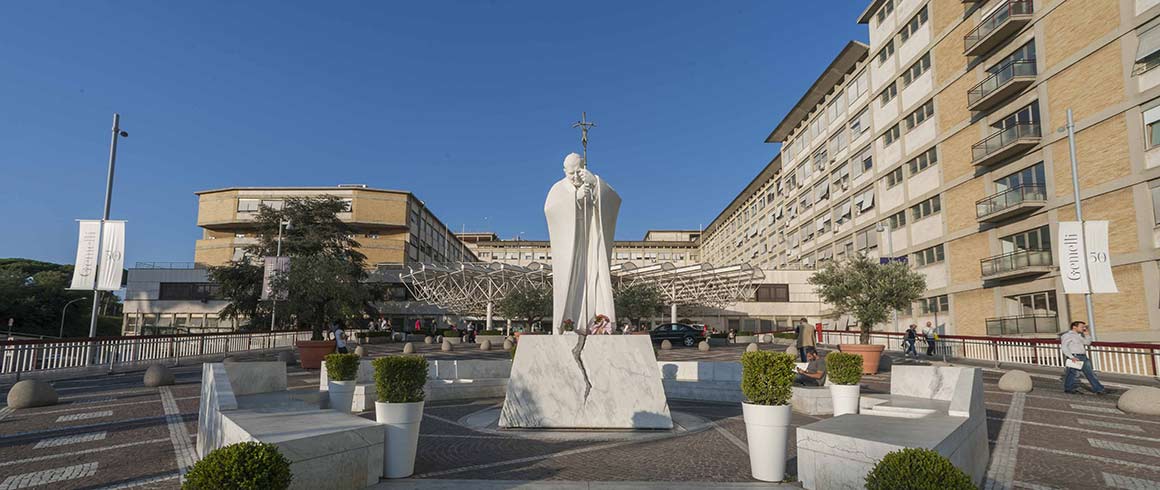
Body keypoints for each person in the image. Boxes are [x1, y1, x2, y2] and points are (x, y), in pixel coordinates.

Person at [1062, 321, 1106, 395]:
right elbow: (1064, 346)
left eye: (1084, 327)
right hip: (1075, 356)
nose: (1083, 328)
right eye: (1082, 327)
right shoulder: (1067, 335)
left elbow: (1087, 343)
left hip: (1083, 356)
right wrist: (1071, 357)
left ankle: (1099, 389)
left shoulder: (1079, 335)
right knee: (1072, 373)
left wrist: (1086, 334)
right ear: (1074, 327)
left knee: (1090, 373)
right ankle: (1069, 388)